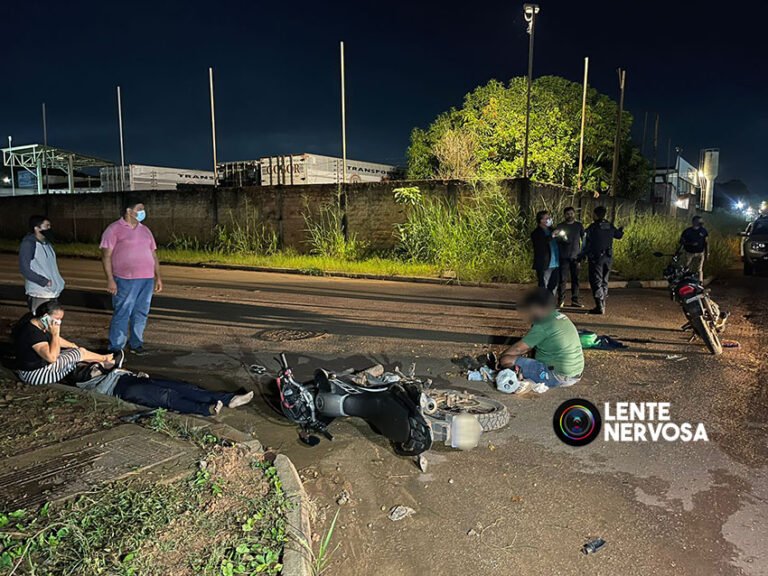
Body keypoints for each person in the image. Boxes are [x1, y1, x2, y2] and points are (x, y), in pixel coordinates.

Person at [15, 302, 254, 417]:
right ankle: (206, 408)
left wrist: (74, 345)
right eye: (55, 321)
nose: (58, 326)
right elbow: (53, 355)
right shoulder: (68, 370)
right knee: (163, 396)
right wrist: (95, 361)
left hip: (121, 377)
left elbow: (65, 348)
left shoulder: (44, 330)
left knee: (176, 385)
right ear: (45, 318)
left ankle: (228, 398)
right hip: (100, 385)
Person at [100, 199, 163, 355]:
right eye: (139, 208)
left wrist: (158, 277)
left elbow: (153, 254)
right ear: (129, 211)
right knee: (123, 312)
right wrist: (110, 279)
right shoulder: (114, 229)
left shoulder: (145, 230)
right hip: (125, 279)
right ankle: (116, 347)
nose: (143, 212)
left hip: (146, 279)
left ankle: (136, 343)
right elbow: (106, 256)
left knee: (141, 312)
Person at [14, 300, 119, 386]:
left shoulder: (36, 322)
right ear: (45, 316)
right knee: (78, 354)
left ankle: (102, 363)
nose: (59, 322)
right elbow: (52, 358)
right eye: (57, 319)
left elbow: (55, 341)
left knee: (75, 352)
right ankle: (106, 359)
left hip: (32, 369)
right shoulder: (33, 333)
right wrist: (55, 334)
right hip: (36, 375)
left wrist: (72, 345)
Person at [498, 288, 584, 392]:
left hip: (558, 377)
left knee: (506, 360)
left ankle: (520, 381)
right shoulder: (560, 317)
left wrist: (501, 359)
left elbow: (519, 349)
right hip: (574, 374)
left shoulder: (543, 324)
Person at [580, 206, 624, 315]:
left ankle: (599, 306)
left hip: (596, 258)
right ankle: (603, 303)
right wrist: (621, 230)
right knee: (605, 280)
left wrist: (582, 255)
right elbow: (619, 236)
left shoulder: (593, 227)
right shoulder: (609, 225)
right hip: (608, 257)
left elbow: (586, 241)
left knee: (596, 280)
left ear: (595, 215)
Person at [19, 215, 65, 314]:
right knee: (40, 323)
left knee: (51, 324)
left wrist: (59, 282)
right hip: (39, 293)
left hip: (52, 293)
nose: (49, 228)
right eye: (46, 226)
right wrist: (44, 282)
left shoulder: (47, 244)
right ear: (37, 228)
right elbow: (24, 269)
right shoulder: (28, 244)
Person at [556, 206, 585, 308]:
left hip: (576, 257)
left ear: (574, 214)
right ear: (564, 215)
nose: (570, 215)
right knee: (562, 279)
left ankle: (575, 300)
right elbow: (556, 239)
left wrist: (583, 253)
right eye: (568, 214)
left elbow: (584, 239)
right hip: (563, 257)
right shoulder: (560, 226)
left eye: (571, 213)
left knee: (576, 279)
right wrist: (562, 238)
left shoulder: (579, 226)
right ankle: (561, 300)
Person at [530, 210, 560, 295]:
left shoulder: (552, 230)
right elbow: (540, 244)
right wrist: (552, 236)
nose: (550, 219)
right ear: (541, 220)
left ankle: (551, 304)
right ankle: (543, 305)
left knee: (553, 286)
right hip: (545, 264)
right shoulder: (536, 233)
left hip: (556, 263)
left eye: (549, 217)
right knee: (544, 286)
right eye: (547, 218)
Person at [678, 215, 708, 282]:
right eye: (699, 221)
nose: (701, 222)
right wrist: (690, 244)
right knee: (687, 268)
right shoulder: (687, 231)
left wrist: (707, 253)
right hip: (689, 252)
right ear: (694, 222)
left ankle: (700, 283)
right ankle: (686, 281)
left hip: (700, 253)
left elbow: (706, 243)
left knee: (699, 269)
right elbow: (681, 242)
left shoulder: (703, 231)